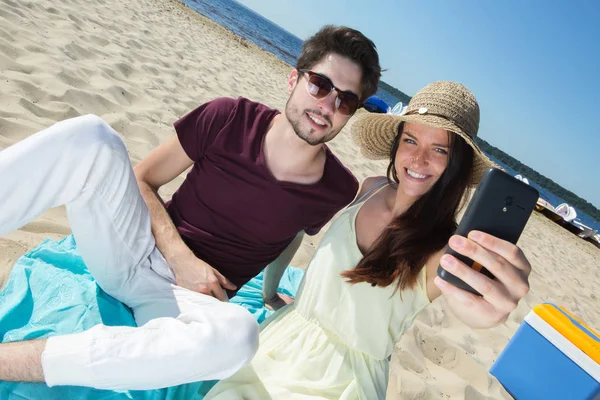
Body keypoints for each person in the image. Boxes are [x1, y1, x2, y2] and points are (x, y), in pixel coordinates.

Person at [0, 25, 381, 390]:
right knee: (90, 137)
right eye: (320, 84)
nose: (328, 105)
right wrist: (179, 256)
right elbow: (143, 178)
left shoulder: (337, 188)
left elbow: (292, 236)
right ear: (294, 79)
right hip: (134, 251)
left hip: (185, 306)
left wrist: (268, 294)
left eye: (345, 100)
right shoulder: (229, 117)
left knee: (240, 336)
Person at [204, 81, 532, 400]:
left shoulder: (444, 249)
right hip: (281, 338)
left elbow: (472, 309)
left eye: (439, 149)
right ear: (396, 145)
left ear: (455, 165)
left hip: (343, 384)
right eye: (410, 141)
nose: (418, 160)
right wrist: (293, 304)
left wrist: (491, 312)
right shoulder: (370, 187)